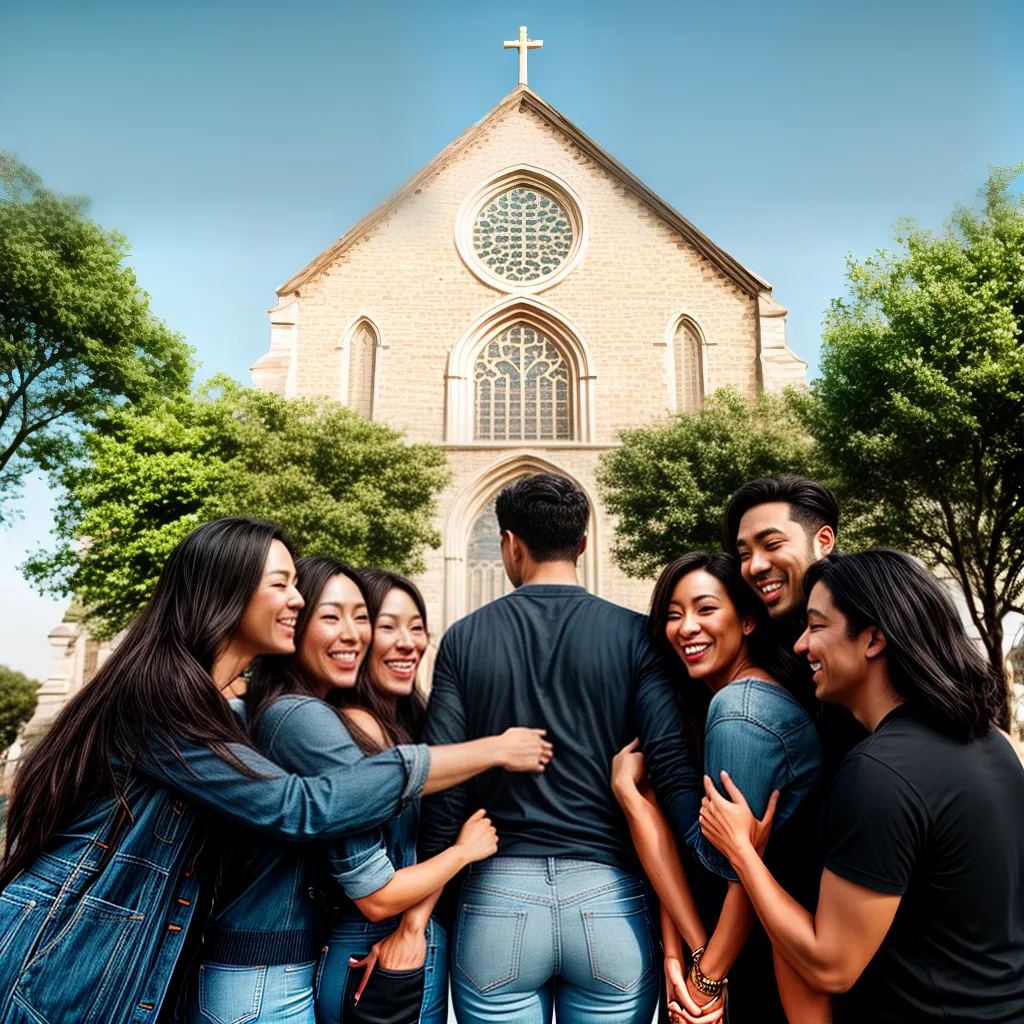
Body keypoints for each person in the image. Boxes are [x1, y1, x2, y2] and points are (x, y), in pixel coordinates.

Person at [0, 518, 532, 1024]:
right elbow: (300, 806)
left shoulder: (218, 706)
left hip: (122, 952)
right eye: (282, 584)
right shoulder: (161, 697)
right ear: (225, 592)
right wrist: (492, 751)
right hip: (66, 951)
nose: (296, 600)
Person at [189, 558, 552, 1024]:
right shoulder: (306, 720)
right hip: (279, 968)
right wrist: (465, 844)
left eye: (362, 618)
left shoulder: (395, 721)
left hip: (297, 961)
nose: (404, 641)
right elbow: (375, 892)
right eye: (382, 624)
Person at [699, 550, 1024, 1024]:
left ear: (873, 638)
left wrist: (743, 854)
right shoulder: (990, 740)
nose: (800, 646)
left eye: (816, 626)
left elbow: (830, 965)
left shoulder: (879, 772)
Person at [418, 473, 697, 1024]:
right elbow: (669, 771)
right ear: (584, 544)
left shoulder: (464, 638)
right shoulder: (637, 635)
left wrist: (439, 906)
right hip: (610, 898)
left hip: (497, 897)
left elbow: (443, 786)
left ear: (510, 544)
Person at [612, 553, 825, 1024]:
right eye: (673, 614)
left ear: (748, 621)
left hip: (752, 966)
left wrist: (704, 981)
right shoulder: (715, 706)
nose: (687, 627)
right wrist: (677, 950)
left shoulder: (740, 712)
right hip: (723, 955)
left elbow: (741, 876)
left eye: (705, 609)